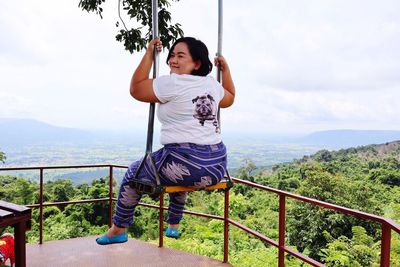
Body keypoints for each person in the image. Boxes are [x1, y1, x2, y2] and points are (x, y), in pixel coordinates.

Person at [96, 36, 235, 245]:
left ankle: (118, 229)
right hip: (216, 167)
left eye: (180, 56)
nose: (172, 60)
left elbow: (136, 88)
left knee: (134, 173)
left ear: (196, 63)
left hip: (187, 164)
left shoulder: (172, 82)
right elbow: (230, 97)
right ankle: (174, 225)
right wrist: (226, 70)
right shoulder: (212, 85)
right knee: (175, 172)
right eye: (171, 56)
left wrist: (149, 55)